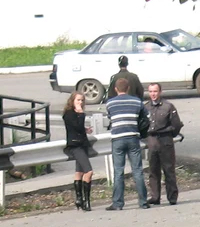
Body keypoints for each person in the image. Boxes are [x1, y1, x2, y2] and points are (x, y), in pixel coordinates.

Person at [103, 78, 148, 210]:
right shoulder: (136, 101)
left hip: (117, 138)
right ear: (128, 88)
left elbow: (110, 117)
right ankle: (143, 202)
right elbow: (146, 116)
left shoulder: (110, 103)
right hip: (133, 137)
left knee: (118, 171)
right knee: (137, 170)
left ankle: (118, 203)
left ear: (116, 89)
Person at [143, 83, 183, 206]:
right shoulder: (145, 107)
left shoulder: (168, 106)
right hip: (152, 140)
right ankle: (155, 197)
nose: (153, 94)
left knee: (168, 169)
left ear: (160, 92)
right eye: (150, 91)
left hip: (165, 140)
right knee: (153, 170)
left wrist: (170, 134)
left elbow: (176, 124)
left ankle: (172, 197)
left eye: (155, 91)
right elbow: (142, 124)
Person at [62, 91, 94, 211]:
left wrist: (85, 129)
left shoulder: (76, 114)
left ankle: (79, 199)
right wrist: (81, 113)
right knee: (89, 171)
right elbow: (74, 126)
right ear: (72, 101)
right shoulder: (69, 114)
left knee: (79, 172)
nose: (80, 103)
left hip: (83, 144)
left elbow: (78, 127)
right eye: (78, 100)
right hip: (75, 145)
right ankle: (86, 201)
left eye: (82, 100)